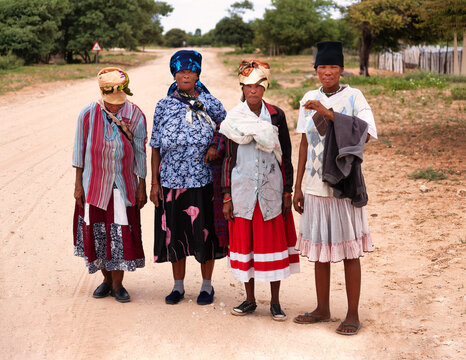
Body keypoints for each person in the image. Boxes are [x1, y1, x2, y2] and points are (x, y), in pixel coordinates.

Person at [293, 41, 377, 335]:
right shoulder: (309, 97)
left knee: (349, 251)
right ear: (316, 70)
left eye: (333, 67)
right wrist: (298, 186)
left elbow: (365, 132)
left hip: (343, 184)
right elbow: (304, 142)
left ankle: (352, 313)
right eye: (322, 67)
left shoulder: (354, 97)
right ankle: (322, 308)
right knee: (320, 249)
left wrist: (328, 114)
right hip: (315, 185)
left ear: (341, 69)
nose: (327, 72)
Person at [221, 60, 300, 321]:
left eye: (257, 86)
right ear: (242, 89)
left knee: (271, 247)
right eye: (247, 87)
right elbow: (228, 159)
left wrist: (287, 191)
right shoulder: (233, 118)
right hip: (242, 191)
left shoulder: (276, 115)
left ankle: (275, 303)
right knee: (248, 248)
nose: (252, 91)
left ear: (264, 88)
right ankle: (250, 299)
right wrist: (227, 196)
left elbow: (285, 154)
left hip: (271, 192)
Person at [150, 50, 227, 306]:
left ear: (197, 74)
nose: (185, 75)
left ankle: (206, 286)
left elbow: (227, 129)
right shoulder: (163, 105)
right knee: (175, 234)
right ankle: (178, 287)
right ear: (174, 73)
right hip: (171, 181)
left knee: (204, 234)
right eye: (180, 71)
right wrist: (154, 183)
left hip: (202, 181)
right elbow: (156, 146)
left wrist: (215, 145)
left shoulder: (211, 102)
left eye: (190, 71)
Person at [73, 67, 148, 303]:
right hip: (94, 185)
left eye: (119, 101)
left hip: (123, 185)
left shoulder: (136, 115)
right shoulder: (87, 114)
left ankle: (118, 285)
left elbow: (140, 153)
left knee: (119, 234)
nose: (115, 106)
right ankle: (105, 280)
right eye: (111, 102)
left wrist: (141, 185)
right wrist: (78, 185)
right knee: (98, 234)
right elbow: (79, 151)